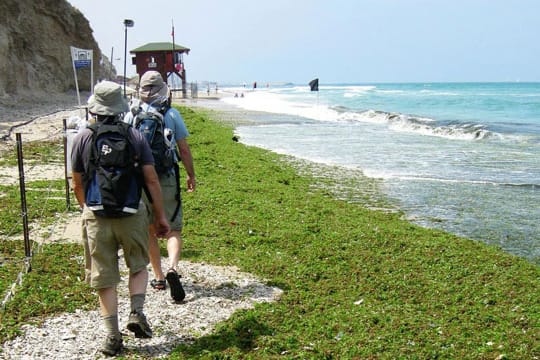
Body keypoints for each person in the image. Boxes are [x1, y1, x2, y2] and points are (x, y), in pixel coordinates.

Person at [71, 81, 170, 356]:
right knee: (138, 266)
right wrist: (160, 217)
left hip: (96, 214)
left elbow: (77, 182)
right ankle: (136, 312)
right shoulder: (135, 135)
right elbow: (151, 179)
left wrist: (86, 209)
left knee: (105, 278)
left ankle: (113, 337)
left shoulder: (83, 137)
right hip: (131, 212)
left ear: (95, 109)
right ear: (120, 108)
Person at [125, 70, 196, 302]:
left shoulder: (132, 115)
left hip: (139, 179)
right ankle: (173, 268)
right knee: (173, 228)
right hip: (165, 176)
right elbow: (183, 149)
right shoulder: (171, 114)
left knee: (149, 230)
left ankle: (158, 277)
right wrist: (190, 174)